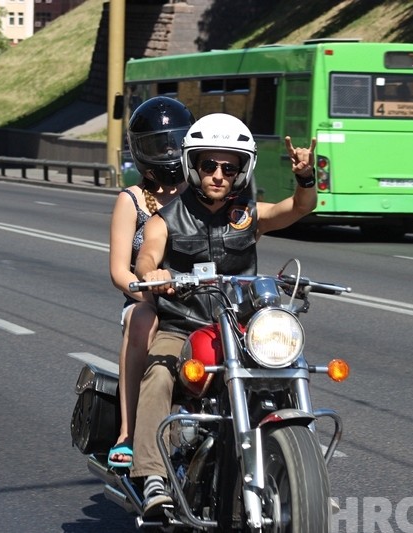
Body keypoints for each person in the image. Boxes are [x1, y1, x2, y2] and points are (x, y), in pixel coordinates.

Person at [130, 112, 317, 516]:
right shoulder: (167, 218)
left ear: (241, 171)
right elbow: (146, 256)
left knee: (285, 366)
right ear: (192, 166)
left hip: (242, 328)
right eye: (208, 164)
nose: (218, 174)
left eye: (228, 167)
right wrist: (154, 272)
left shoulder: (247, 215)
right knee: (159, 373)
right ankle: (153, 478)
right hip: (184, 327)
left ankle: (300, 475)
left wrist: (305, 177)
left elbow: (300, 207)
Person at [107, 96, 195, 469]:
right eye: (160, 145)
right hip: (148, 300)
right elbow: (118, 271)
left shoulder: (201, 195)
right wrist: (147, 291)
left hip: (196, 299)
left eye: (176, 142)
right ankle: (128, 432)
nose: (170, 152)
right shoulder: (132, 200)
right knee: (143, 319)